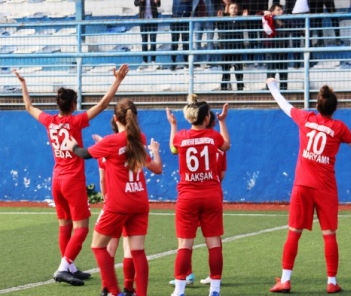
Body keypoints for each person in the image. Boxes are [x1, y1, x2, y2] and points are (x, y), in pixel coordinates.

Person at [13, 65, 129, 287]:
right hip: (72, 180)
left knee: (65, 224)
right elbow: (104, 104)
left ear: (58, 104)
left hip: (56, 178)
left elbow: (28, 106)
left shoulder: (50, 121)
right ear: (74, 105)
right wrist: (118, 81)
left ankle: (70, 265)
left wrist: (23, 83)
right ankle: (63, 268)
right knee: (82, 227)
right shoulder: (76, 121)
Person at [266, 78, 351, 294]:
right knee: (329, 234)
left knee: (293, 233)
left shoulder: (305, 118)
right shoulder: (339, 127)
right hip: (325, 188)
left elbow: (284, 104)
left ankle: (286, 280)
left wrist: (272, 86)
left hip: (302, 186)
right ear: (335, 109)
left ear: (317, 105)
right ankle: (332, 282)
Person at [65, 98, 163, 296]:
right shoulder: (140, 138)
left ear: (114, 118)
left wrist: (72, 146)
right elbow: (131, 153)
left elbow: (84, 154)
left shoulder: (111, 141)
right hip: (139, 200)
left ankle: (113, 291)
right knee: (137, 251)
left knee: (98, 246)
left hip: (118, 203)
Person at [166, 96, 231, 296]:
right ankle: (215, 289)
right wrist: (222, 121)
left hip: (188, 196)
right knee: (213, 243)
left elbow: (173, 149)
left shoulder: (181, 137)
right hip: (211, 194)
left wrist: (173, 126)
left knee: (185, 244)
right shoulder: (213, 137)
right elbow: (226, 145)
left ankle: (179, 290)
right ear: (206, 118)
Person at [285, 0, 319, 68]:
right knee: (295, 41)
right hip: (294, 16)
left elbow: (316, 2)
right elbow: (288, 2)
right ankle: (297, 63)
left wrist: (313, 15)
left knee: (307, 40)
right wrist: (289, 15)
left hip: (307, 16)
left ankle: (310, 62)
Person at [161, 0, 192, 71]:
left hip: (187, 19)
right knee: (174, 41)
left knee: (186, 42)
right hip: (175, 18)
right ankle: (173, 63)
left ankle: (186, 62)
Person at [241, 0, 273, 65]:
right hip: (251, 16)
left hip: (263, 16)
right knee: (252, 39)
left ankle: (265, 60)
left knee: (264, 39)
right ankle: (251, 60)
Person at [189, 0, 218, 68]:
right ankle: (196, 61)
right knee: (197, 41)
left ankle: (209, 61)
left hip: (209, 18)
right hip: (198, 19)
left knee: (210, 41)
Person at [217, 1, 247, 91]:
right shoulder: (224, 20)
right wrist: (220, 19)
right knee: (225, 71)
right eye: (231, 8)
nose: (233, 10)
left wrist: (244, 19)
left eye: (235, 8)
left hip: (237, 48)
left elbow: (244, 27)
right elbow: (219, 27)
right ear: (228, 10)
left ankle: (240, 90)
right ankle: (224, 89)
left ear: (238, 10)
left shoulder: (240, 20)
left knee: (239, 71)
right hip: (226, 48)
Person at [134, 0, 161, 68]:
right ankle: (145, 61)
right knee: (144, 40)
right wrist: (141, 0)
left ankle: (153, 61)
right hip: (143, 19)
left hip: (153, 18)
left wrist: (156, 2)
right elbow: (135, 3)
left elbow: (159, 4)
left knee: (153, 40)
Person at [262, 3, 289, 90]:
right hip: (271, 50)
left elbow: (294, 28)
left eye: (281, 10)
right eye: (278, 10)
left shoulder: (286, 21)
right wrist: (264, 12)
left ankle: (284, 90)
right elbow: (257, 15)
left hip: (283, 51)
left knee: (283, 73)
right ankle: (269, 90)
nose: (281, 11)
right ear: (272, 11)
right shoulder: (268, 20)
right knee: (271, 72)